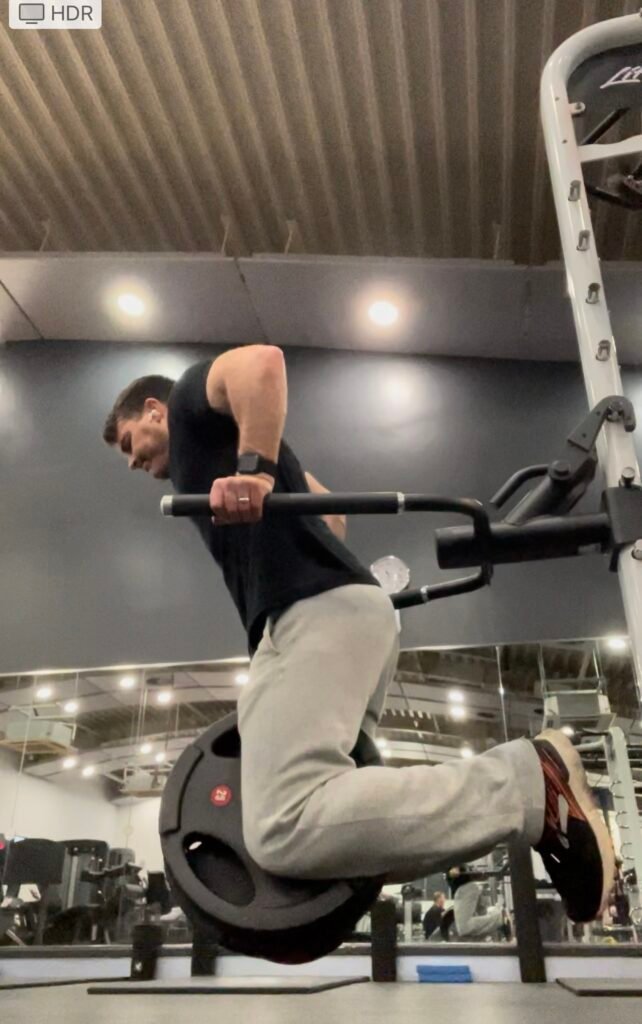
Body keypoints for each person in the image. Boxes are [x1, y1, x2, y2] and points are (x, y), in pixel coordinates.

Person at [103, 344, 615, 924]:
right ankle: (532, 799)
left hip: (312, 612)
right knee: (340, 833)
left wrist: (253, 474)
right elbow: (330, 516)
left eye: (127, 443)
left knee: (282, 825)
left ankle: (526, 785)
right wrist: (267, 483)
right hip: (352, 614)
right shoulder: (219, 445)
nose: (130, 463)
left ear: (153, 410)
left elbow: (261, 364)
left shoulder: (192, 409)